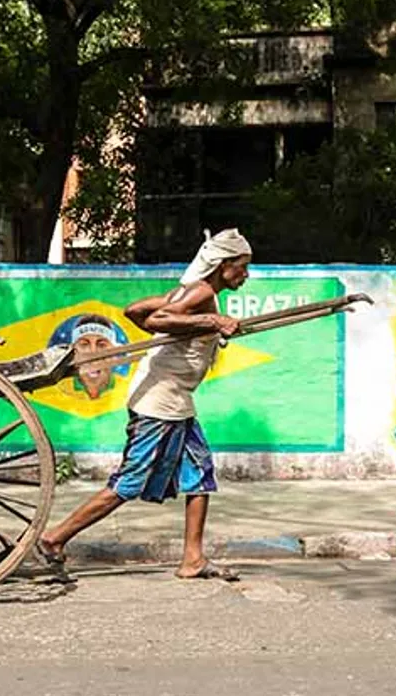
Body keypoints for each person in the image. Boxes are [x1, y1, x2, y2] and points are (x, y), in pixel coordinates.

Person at [37, 228, 252, 581]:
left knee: (200, 476)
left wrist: (198, 323)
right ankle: (54, 537)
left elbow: (135, 310)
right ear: (223, 264)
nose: (245, 275)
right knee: (129, 482)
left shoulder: (188, 292)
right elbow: (155, 320)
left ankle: (193, 559)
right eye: (242, 267)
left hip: (175, 402)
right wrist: (211, 321)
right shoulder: (200, 292)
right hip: (159, 403)